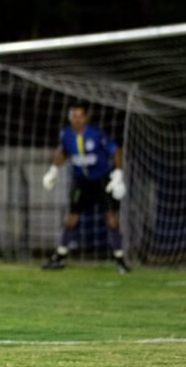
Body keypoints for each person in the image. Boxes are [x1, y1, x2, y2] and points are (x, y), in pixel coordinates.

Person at [41, 103, 130, 273]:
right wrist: (52, 171)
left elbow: (116, 150)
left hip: (101, 180)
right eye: (74, 116)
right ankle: (60, 256)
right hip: (80, 181)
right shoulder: (66, 134)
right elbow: (63, 152)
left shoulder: (96, 134)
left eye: (80, 116)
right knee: (71, 218)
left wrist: (118, 174)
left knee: (111, 217)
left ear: (86, 118)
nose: (77, 119)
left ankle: (120, 259)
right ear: (69, 118)